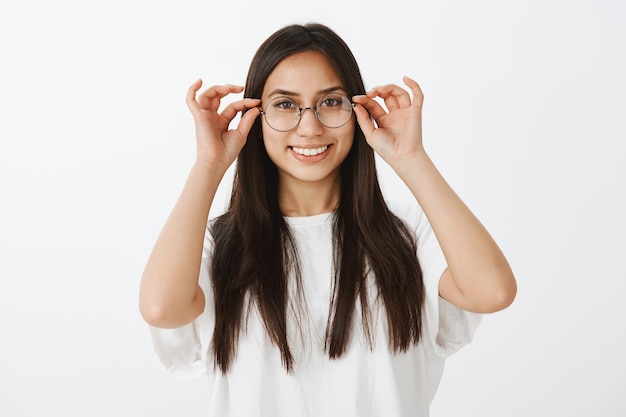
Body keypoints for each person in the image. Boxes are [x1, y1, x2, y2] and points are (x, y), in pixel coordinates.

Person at [139, 22, 516, 417]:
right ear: (255, 116)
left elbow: (492, 291)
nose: (310, 126)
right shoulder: (218, 243)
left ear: (357, 110)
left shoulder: (410, 234)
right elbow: (162, 308)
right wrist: (209, 164)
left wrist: (411, 159)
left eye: (330, 102)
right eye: (285, 104)